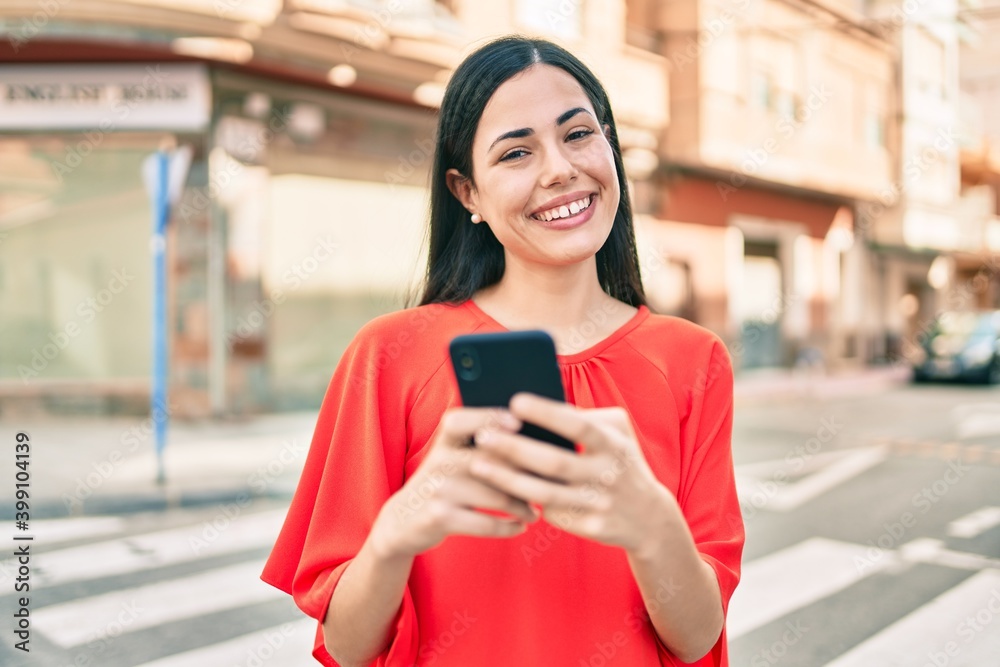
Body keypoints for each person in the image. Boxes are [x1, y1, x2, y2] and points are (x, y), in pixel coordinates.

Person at [261, 35, 744, 666]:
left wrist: (652, 525)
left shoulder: (693, 361)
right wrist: (394, 537)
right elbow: (349, 651)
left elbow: (698, 636)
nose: (559, 169)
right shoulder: (390, 355)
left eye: (578, 135)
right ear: (468, 195)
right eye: (517, 152)